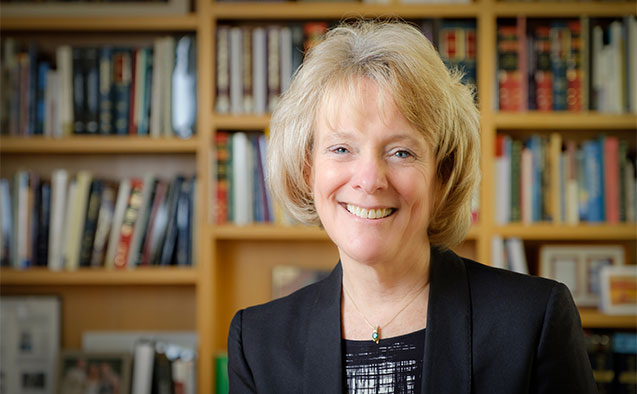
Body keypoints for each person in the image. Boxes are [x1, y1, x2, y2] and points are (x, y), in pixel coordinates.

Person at [228, 20, 597, 394]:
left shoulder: (533, 320)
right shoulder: (257, 343)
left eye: (401, 152)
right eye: (341, 149)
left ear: (442, 175)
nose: (370, 180)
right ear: (308, 170)